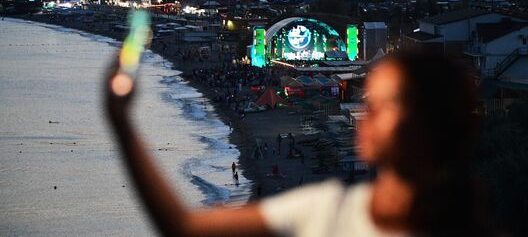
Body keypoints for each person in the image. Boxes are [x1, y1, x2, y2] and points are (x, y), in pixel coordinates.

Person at [105, 51, 494, 237]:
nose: (365, 111)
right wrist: (122, 122)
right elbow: (184, 227)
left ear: (426, 122)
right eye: (367, 100)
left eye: (383, 103)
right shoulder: (327, 208)